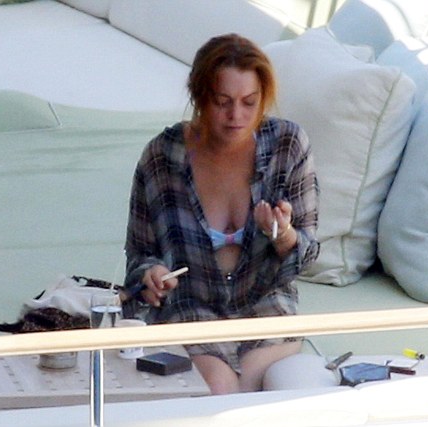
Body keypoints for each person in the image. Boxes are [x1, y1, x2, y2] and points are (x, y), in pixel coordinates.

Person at [123, 33, 319, 394]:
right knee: (218, 387)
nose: (236, 116)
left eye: (249, 102)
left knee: (259, 382)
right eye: (222, 102)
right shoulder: (161, 157)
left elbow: (306, 255)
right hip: (191, 305)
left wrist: (284, 235)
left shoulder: (289, 145)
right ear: (199, 97)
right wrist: (151, 275)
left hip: (266, 302)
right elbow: (139, 255)